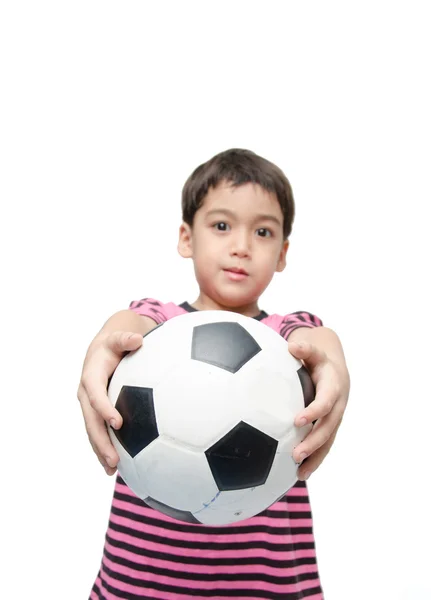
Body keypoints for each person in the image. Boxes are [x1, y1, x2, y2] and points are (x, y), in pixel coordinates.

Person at [78, 148, 350, 600]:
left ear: (282, 253)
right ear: (186, 237)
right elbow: (124, 327)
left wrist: (334, 368)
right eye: (221, 226)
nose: (241, 245)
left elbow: (322, 344)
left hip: (264, 586)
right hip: (142, 584)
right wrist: (102, 347)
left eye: (263, 232)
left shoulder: (287, 342)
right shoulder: (158, 328)